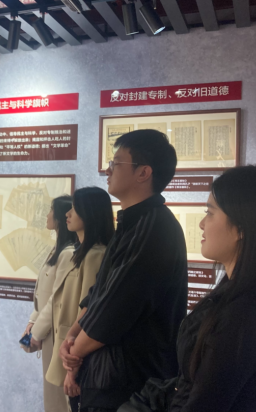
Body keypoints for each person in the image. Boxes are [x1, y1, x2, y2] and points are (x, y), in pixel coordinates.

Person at [60, 130, 188, 412]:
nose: (108, 170)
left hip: (130, 382)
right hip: (107, 374)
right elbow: (98, 292)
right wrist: (72, 335)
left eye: (116, 163)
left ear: (143, 173)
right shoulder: (132, 223)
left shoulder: (154, 228)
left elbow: (116, 308)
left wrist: (74, 353)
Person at [168, 166, 256, 412]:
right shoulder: (238, 295)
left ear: (241, 228)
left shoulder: (242, 314)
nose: (202, 224)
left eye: (210, 213)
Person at [44, 188, 115, 406]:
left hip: (77, 354)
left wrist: (72, 371)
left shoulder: (96, 255)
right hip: (69, 348)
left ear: (90, 213)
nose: (68, 214)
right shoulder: (80, 252)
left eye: (74, 209)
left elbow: (87, 315)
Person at [24, 195, 76, 412]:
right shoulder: (58, 249)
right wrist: (32, 321)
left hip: (55, 332)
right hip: (46, 329)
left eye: (51, 210)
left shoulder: (69, 253)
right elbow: (43, 293)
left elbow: (56, 298)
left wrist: (35, 332)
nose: (47, 215)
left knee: (57, 398)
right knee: (51, 393)